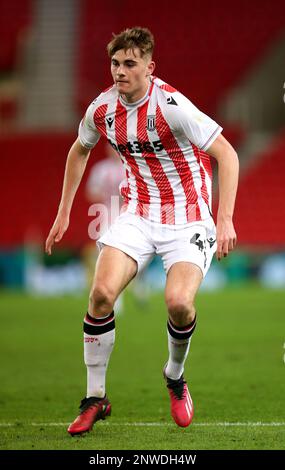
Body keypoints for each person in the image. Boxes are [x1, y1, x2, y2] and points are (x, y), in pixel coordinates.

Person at [45, 27, 239, 435]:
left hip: (188, 216)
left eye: (130, 63)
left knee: (178, 304)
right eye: (115, 63)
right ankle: (96, 398)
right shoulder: (102, 109)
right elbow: (79, 149)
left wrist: (225, 218)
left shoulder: (171, 106)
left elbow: (227, 153)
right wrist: (63, 211)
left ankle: (174, 375)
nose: (120, 71)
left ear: (150, 68)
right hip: (139, 213)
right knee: (100, 295)